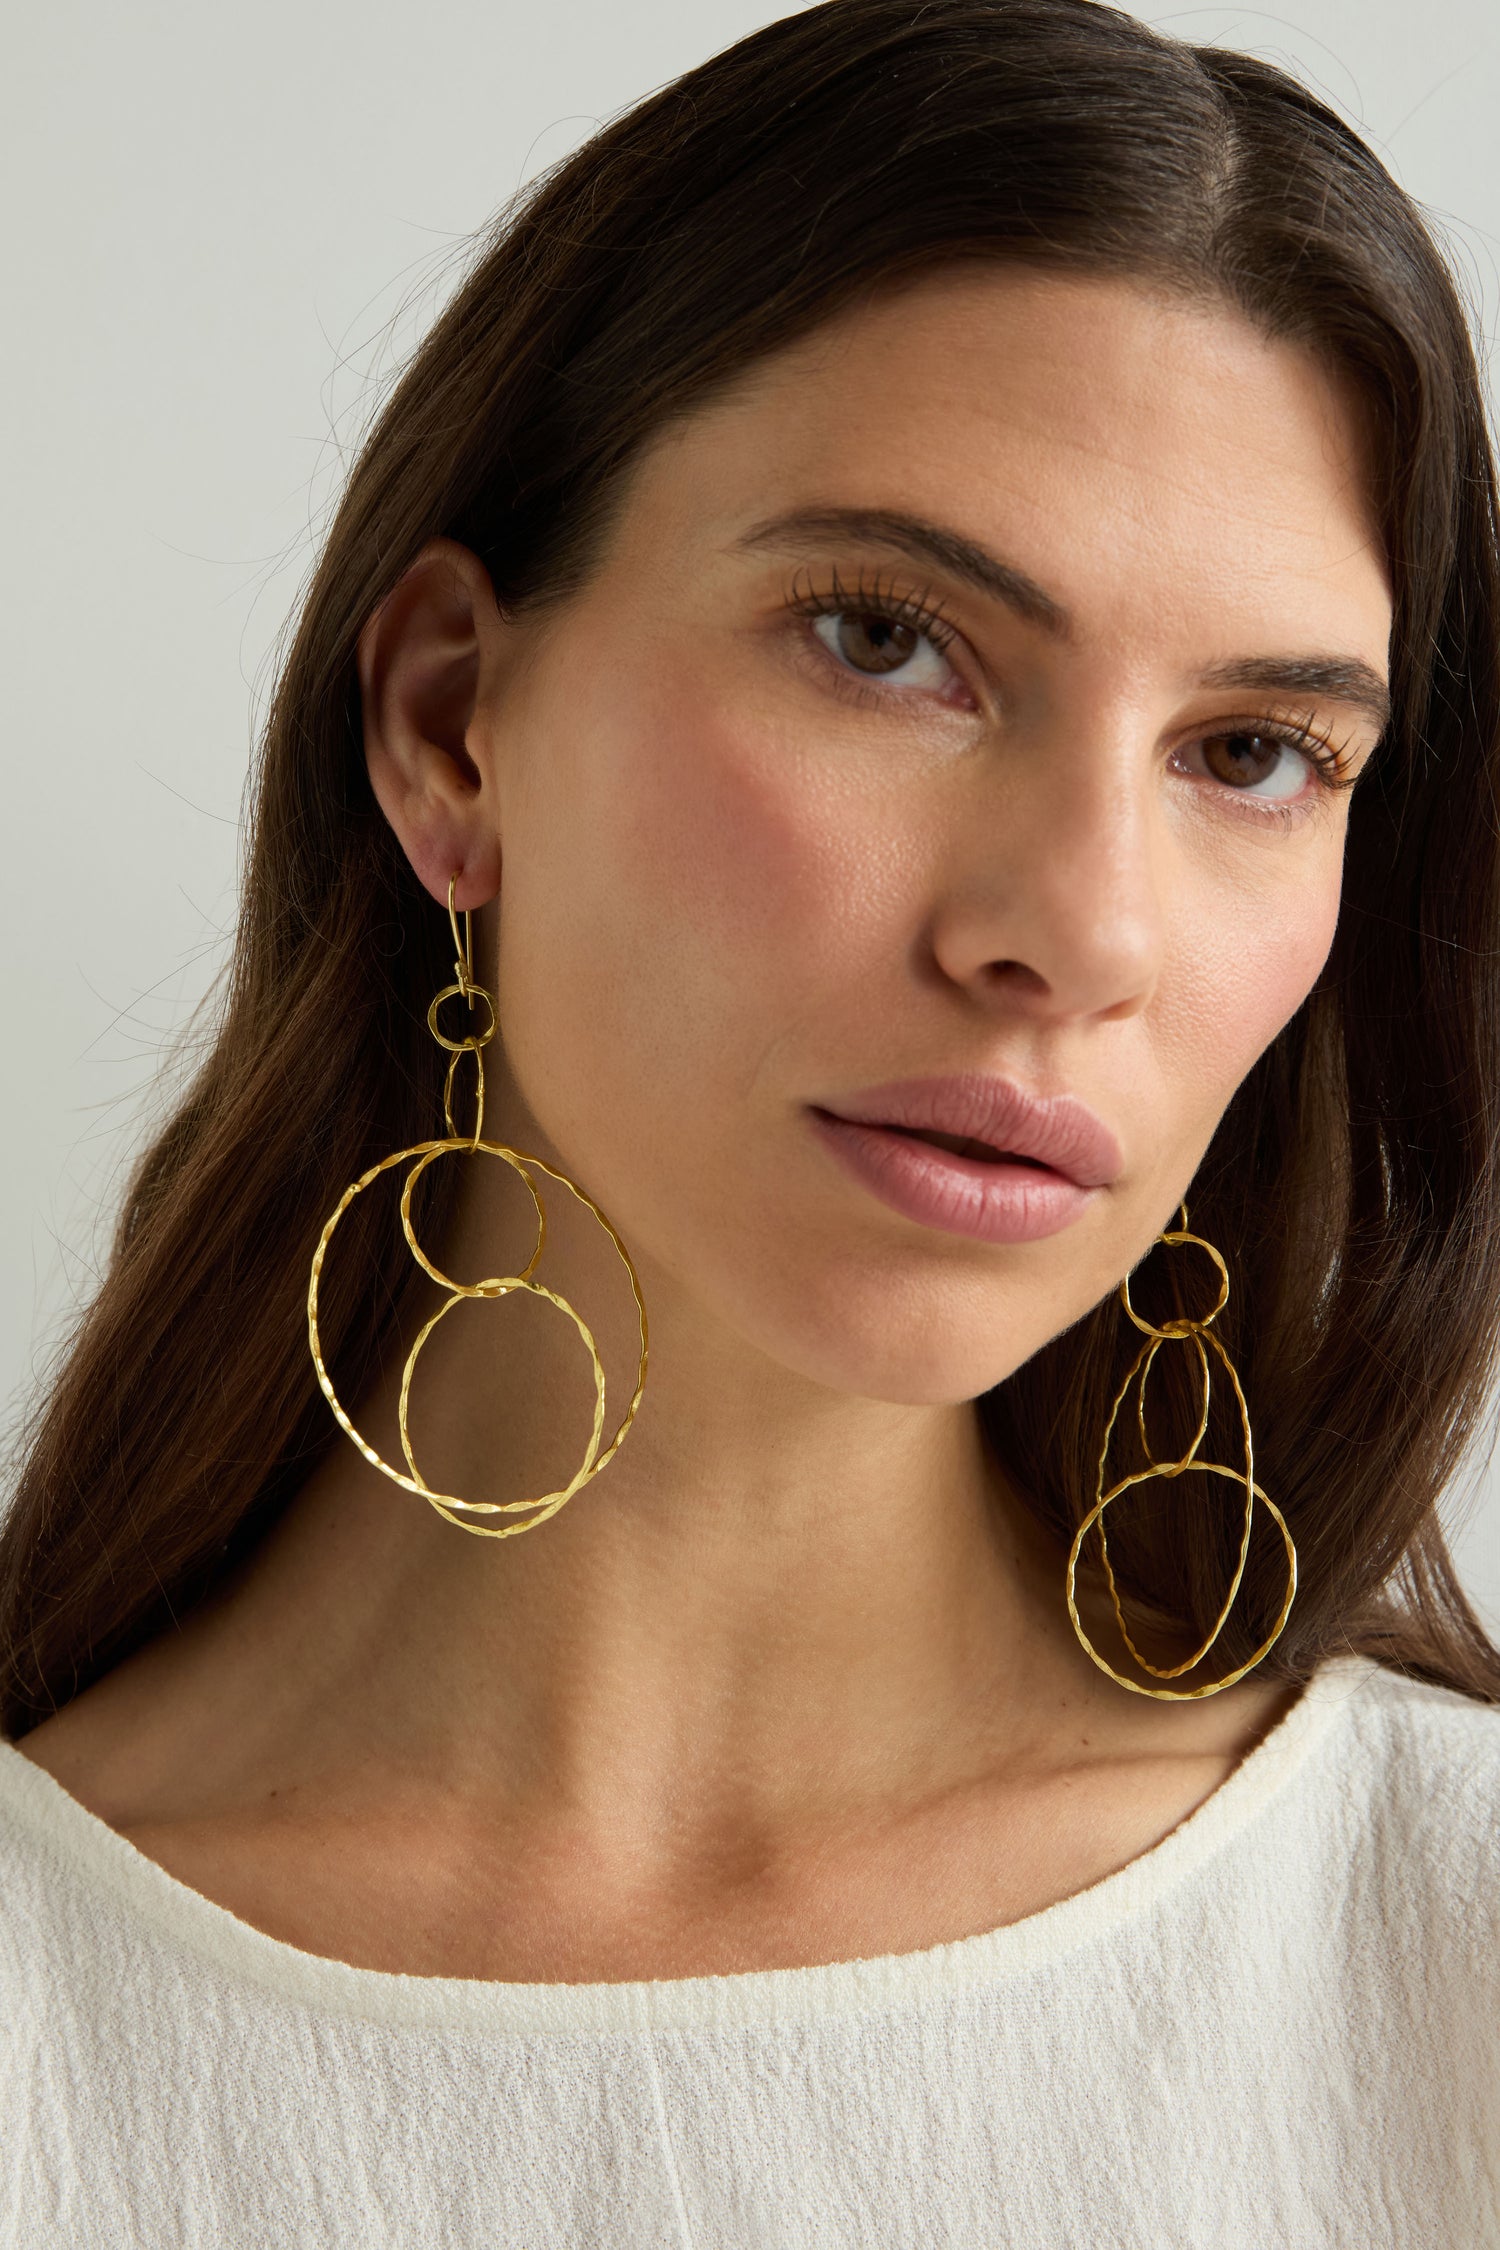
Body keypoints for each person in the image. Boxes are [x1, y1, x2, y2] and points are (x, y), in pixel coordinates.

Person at [2, 0, 1497, 2238]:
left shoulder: (1447, 1959)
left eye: (1254, 750)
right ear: (449, 726)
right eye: (890, 641)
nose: (1077, 932)